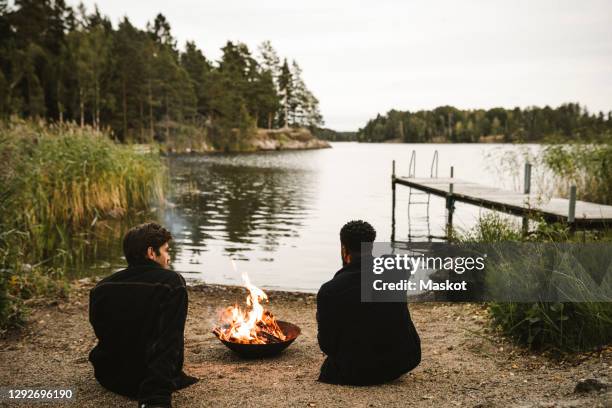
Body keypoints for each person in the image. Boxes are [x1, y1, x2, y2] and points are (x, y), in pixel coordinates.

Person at [89, 222, 197, 408]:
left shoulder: (101, 288)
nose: (168, 258)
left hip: (110, 377)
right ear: (151, 253)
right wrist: (156, 397)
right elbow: (170, 341)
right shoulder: (171, 283)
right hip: (146, 382)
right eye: (166, 251)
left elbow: (104, 335)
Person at [316, 220, 421, 385]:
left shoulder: (330, 291)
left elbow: (327, 345)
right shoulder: (398, 270)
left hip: (353, 370)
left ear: (344, 249)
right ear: (371, 246)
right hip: (401, 361)